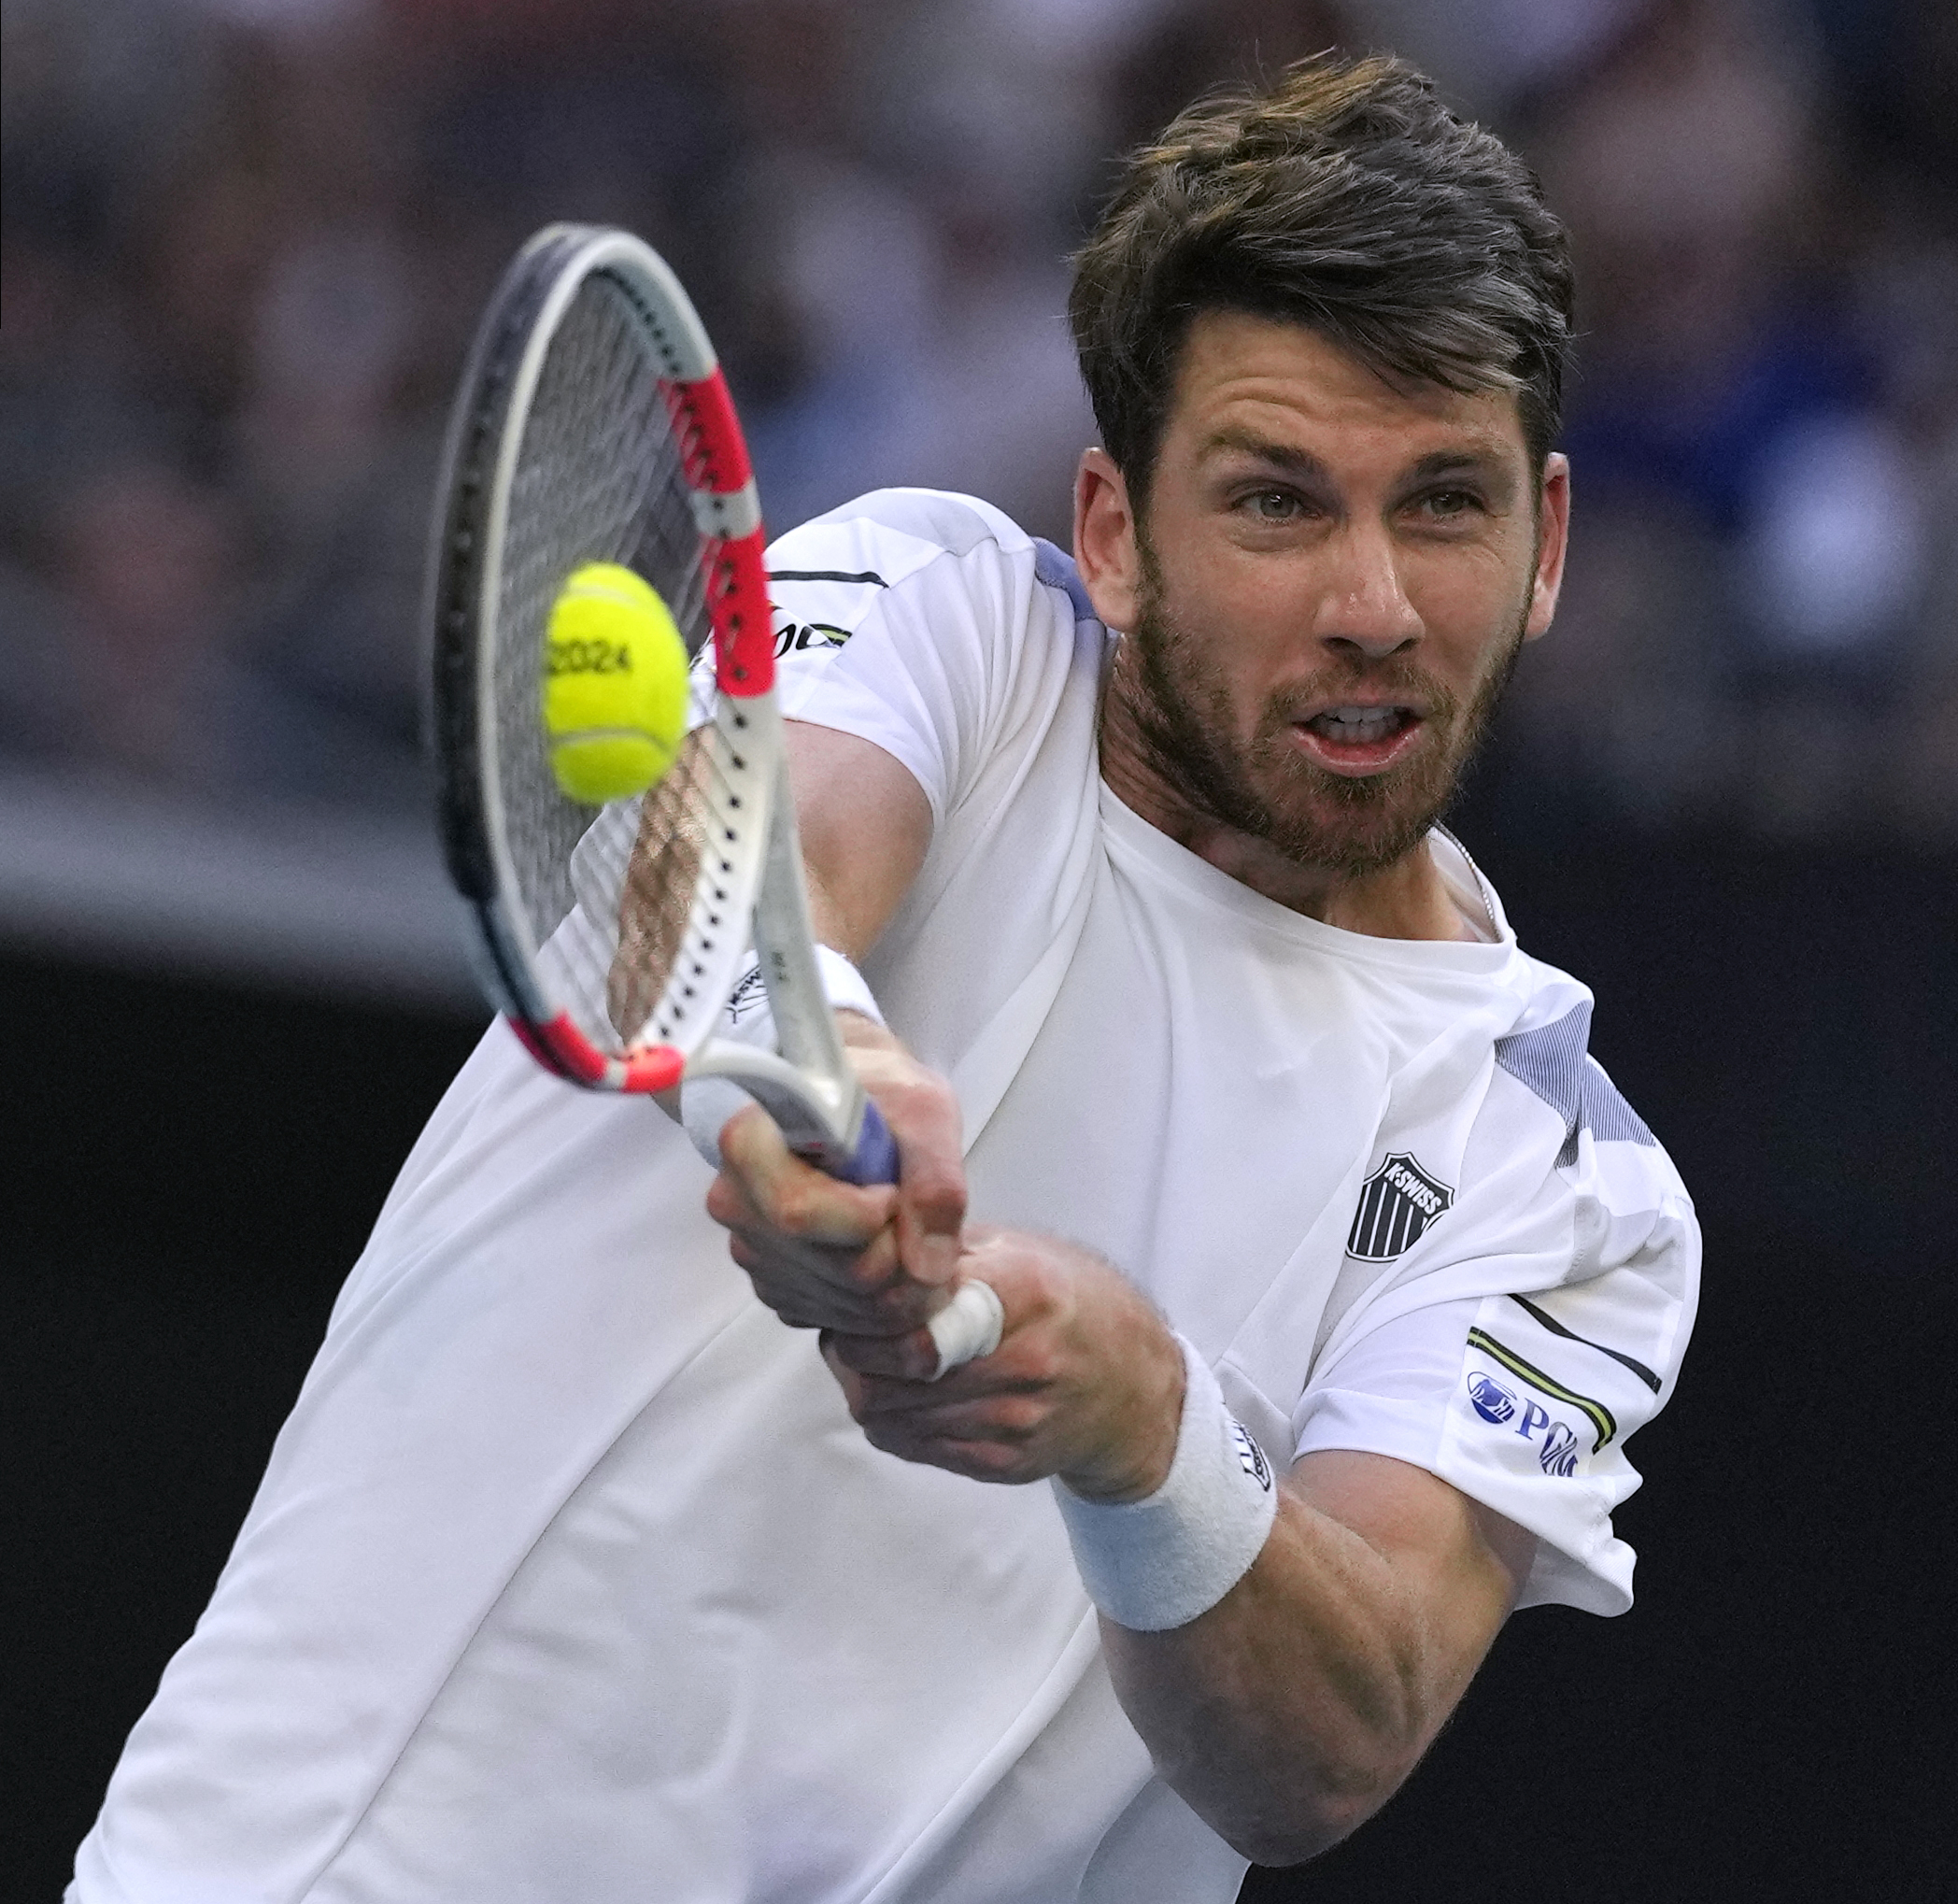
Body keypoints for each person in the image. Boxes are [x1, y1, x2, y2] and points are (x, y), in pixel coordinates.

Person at [73, 54, 1697, 1902]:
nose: (1373, 603)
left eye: (1443, 506)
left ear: (1546, 539)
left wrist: (1141, 1425)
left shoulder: (1560, 1181)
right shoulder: (944, 607)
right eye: (1274, 504)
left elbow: (1328, 1742)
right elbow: (731, 871)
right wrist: (817, 1059)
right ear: (1112, 533)